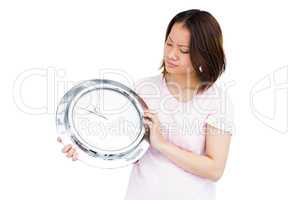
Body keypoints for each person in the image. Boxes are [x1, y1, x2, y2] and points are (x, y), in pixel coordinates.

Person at [58, 9, 234, 200]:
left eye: (183, 50)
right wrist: (82, 146)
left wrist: (162, 145)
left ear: (205, 54)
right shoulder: (144, 89)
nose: (172, 54)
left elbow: (214, 170)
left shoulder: (217, 100)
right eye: (169, 44)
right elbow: (126, 148)